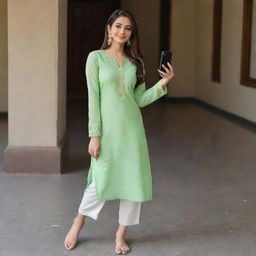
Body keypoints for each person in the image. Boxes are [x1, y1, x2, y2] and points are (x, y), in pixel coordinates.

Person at [64, 9, 174, 254]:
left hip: (132, 132)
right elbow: (93, 99)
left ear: (132, 33)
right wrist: (95, 135)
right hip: (107, 132)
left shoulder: (137, 63)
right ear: (109, 29)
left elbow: (139, 100)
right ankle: (78, 222)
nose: (123, 32)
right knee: (99, 179)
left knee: (133, 183)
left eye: (128, 28)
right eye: (118, 27)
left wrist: (162, 85)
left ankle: (120, 234)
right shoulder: (96, 58)